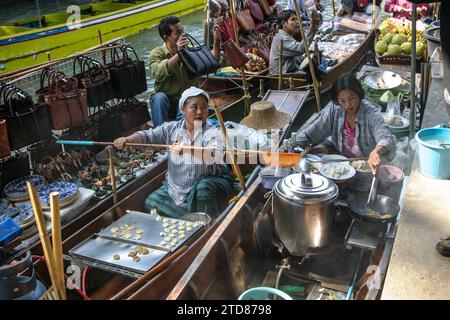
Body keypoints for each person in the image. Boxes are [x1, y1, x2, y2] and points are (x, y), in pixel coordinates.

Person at [114, 87, 235, 219]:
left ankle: (204, 221)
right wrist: (127, 140)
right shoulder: (172, 128)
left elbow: (213, 155)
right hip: (178, 187)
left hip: (211, 183)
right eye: (194, 107)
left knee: (203, 189)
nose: (200, 112)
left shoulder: (212, 132)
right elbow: (147, 136)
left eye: (204, 107)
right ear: (183, 110)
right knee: (151, 203)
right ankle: (194, 217)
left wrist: (187, 149)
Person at [294, 73, 397, 172]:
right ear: (337, 100)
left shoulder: (371, 114)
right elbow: (311, 133)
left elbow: (387, 138)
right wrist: (293, 147)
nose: (347, 105)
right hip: (340, 157)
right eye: (342, 100)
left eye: (351, 98)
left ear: (359, 94)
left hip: (364, 164)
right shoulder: (335, 109)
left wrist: (376, 152)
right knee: (316, 151)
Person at [148, 16, 221, 127]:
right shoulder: (157, 53)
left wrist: (216, 41)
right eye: (178, 32)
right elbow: (158, 72)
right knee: (159, 98)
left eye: (183, 30)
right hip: (167, 101)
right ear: (166, 38)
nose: (183, 35)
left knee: (190, 102)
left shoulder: (190, 49)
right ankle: (159, 133)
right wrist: (179, 53)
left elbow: (211, 62)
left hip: (186, 99)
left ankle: (184, 133)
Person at [269, 9, 320, 76]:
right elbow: (301, 49)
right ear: (283, 23)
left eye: (297, 19)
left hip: (289, 70)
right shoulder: (281, 38)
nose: (297, 22)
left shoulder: (286, 35)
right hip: (281, 77)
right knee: (312, 74)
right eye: (293, 19)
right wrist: (312, 28)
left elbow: (297, 55)